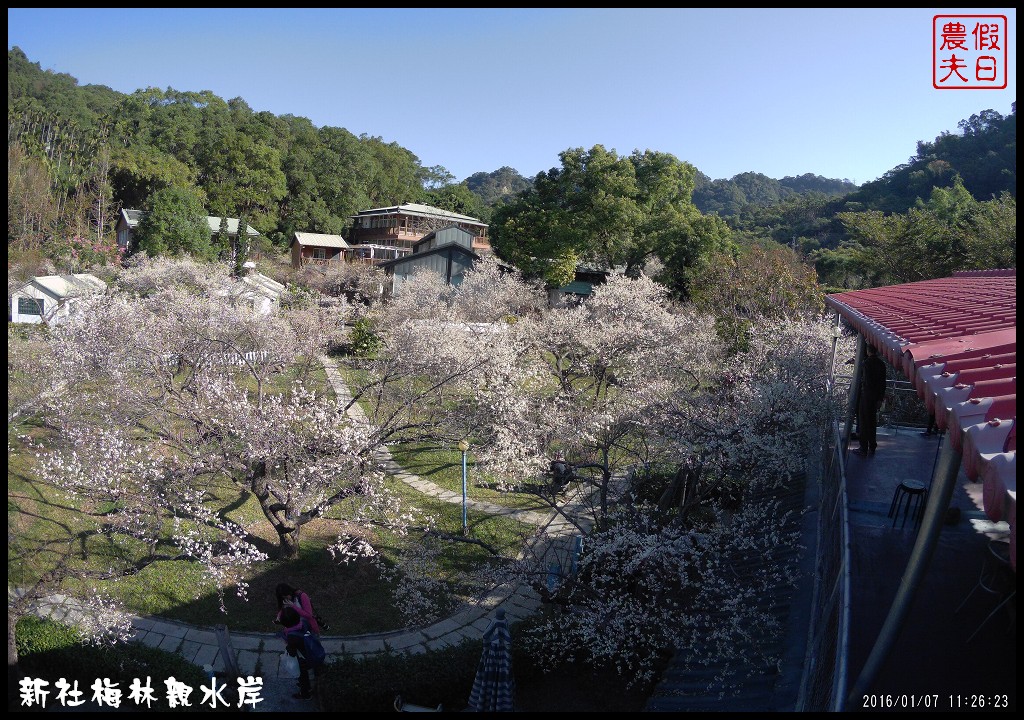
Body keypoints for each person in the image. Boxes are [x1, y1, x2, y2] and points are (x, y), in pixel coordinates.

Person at [854, 344, 887, 455]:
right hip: (875, 397)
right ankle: (872, 445)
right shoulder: (882, 364)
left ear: (868, 351)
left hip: (867, 396)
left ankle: (863, 447)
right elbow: (883, 383)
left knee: (864, 421)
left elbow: (866, 381)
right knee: (872, 421)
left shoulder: (867, 363)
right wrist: (880, 398)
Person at [278, 606, 314, 700]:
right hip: (309, 651)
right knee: (304, 674)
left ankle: (305, 694)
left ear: (285, 623)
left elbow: (293, 653)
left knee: (302, 676)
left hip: (302, 659)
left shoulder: (292, 636)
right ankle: (307, 686)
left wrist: (288, 647)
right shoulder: (304, 622)